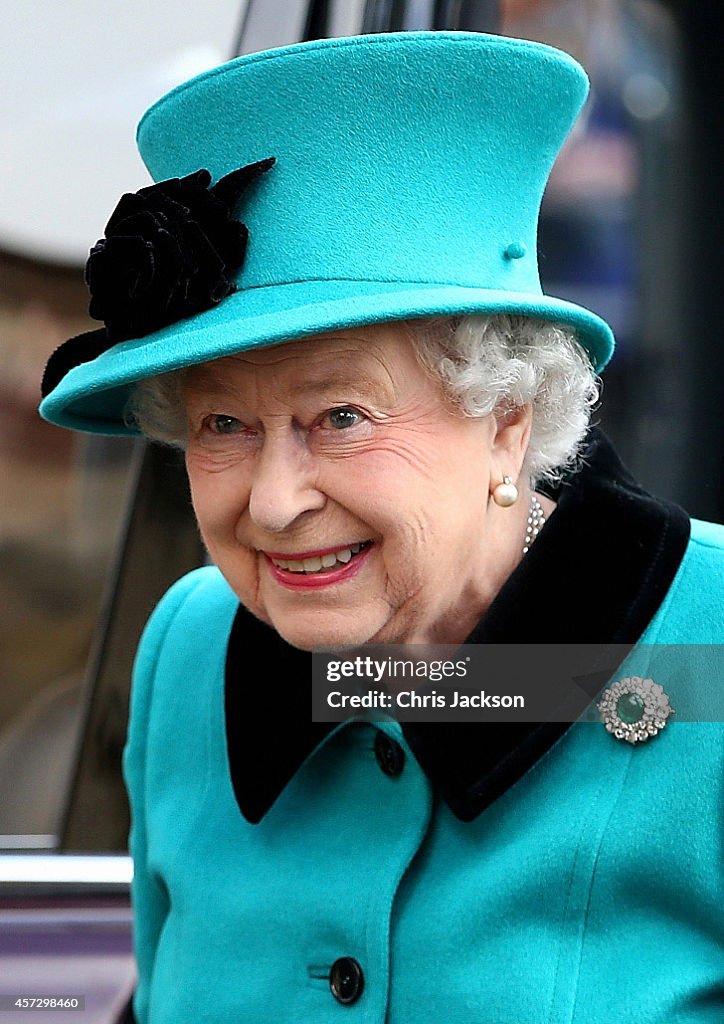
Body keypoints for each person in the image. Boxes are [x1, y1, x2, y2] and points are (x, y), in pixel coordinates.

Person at [39, 30, 724, 1024]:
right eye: (223, 424)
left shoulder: (708, 649)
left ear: (504, 420)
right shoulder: (189, 649)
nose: (273, 503)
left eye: (341, 417)